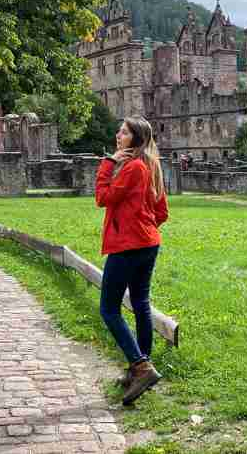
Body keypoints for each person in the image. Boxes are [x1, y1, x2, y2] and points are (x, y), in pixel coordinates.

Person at [95, 115, 169, 406]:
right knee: (140, 303)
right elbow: (161, 212)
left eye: (124, 133)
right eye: (119, 132)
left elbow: (103, 197)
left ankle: (141, 367)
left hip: (128, 245)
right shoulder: (151, 166)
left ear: (136, 139)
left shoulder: (132, 167)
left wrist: (109, 162)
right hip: (147, 244)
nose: (118, 135)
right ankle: (140, 366)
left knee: (109, 309)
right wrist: (143, 228)